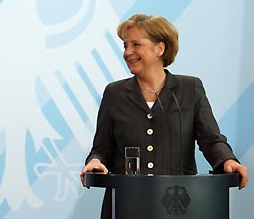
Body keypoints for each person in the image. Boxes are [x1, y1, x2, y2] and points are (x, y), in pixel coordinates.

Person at [80, 13, 248, 217]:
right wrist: (95, 161)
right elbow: (102, 148)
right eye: (125, 45)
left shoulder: (189, 88)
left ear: (160, 48)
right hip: (126, 204)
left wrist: (227, 161)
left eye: (136, 44)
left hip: (177, 207)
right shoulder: (114, 93)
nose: (127, 52)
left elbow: (211, 140)